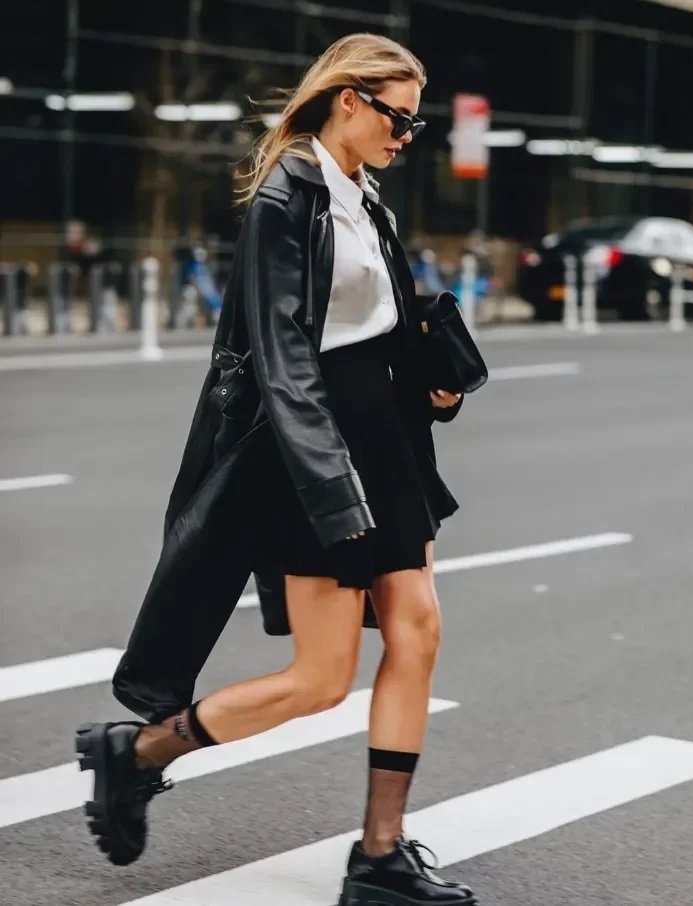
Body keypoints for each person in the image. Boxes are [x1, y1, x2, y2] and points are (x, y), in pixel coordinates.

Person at [75, 32, 475, 906]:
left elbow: (373, 323)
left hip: (385, 439)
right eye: (397, 120)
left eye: (416, 124)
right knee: (320, 680)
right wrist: (330, 484)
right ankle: (136, 752)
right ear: (347, 99)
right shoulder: (285, 195)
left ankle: (379, 856)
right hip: (317, 446)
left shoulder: (366, 198)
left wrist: (433, 379)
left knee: (418, 632)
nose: (407, 138)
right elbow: (284, 358)